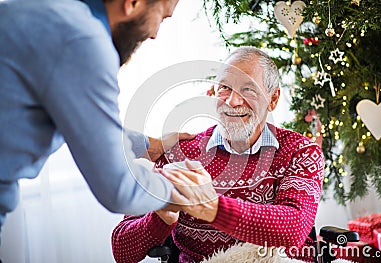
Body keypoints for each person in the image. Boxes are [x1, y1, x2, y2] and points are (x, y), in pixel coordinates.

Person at [111, 46, 325, 263]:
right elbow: (121, 251)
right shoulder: (180, 152)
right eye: (224, 87)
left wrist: (210, 207)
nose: (232, 101)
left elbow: (294, 229)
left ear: (273, 99)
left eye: (248, 89)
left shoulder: (300, 152)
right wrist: (160, 219)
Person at [0, 0, 193, 236]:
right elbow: (119, 189)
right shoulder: (81, 40)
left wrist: (148, 146)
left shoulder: (53, 13)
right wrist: (184, 191)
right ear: (133, 3)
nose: (154, 34)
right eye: (161, 17)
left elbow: (88, 125)